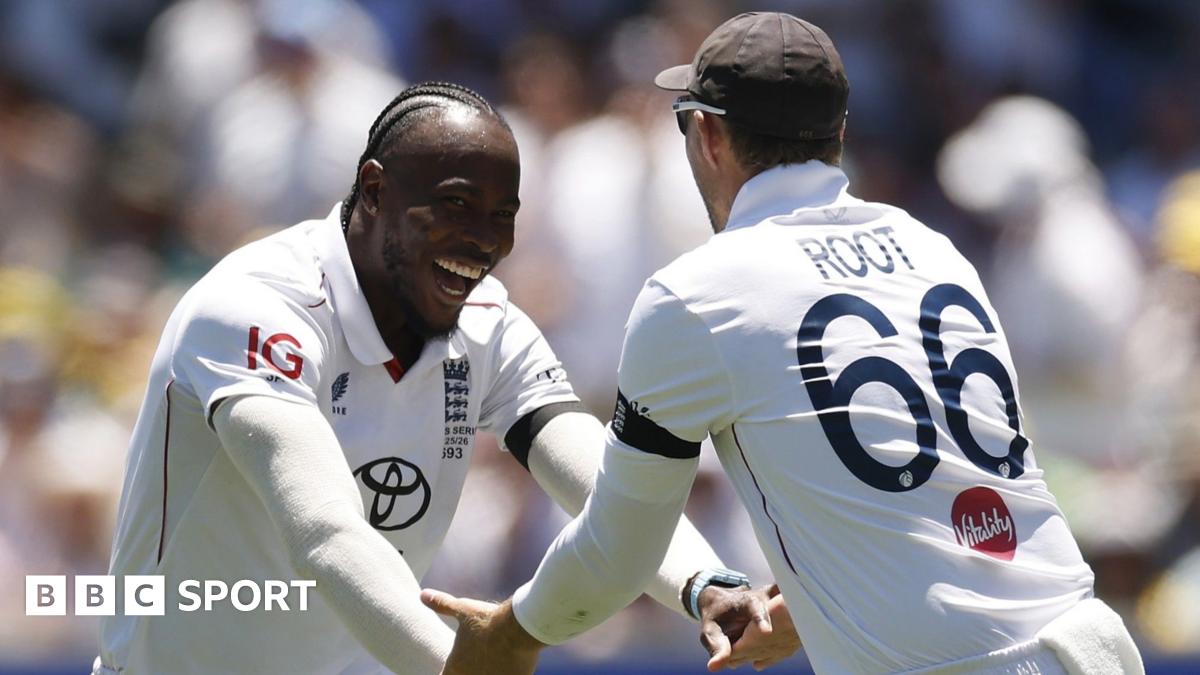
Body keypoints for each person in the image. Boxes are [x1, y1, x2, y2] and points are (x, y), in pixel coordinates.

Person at [424, 14, 1146, 675]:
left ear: (706, 135)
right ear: (838, 132)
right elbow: (942, 497)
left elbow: (621, 547)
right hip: (1091, 647)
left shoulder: (696, 295)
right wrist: (813, 602)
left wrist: (511, 633)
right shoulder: (936, 250)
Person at [94, 82, 786, 674]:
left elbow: (605, 482)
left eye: (503, 216)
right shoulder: (253, 306)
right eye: (457, 205)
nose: (484, 240)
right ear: (374, 189)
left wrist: (706, 583)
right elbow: (327, 532)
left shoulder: (487, 321)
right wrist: (459, 665)